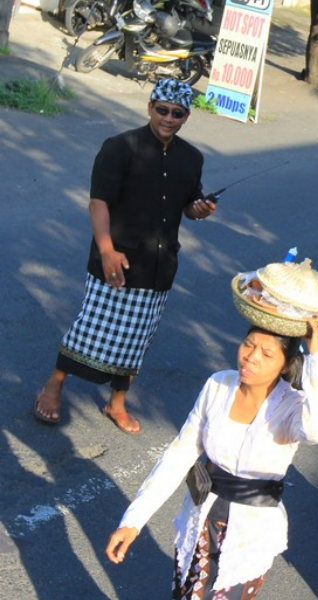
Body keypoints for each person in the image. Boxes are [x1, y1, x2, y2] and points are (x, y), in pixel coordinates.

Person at [105, 315, 318, 598]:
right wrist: (134, 520)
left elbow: (316, 430)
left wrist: (317, 353)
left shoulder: (292, 406)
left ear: (287, 364)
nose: (250, 357)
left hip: (249, 536)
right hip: (200, 519)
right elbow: (180, 454)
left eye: (266, 353)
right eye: (248, 345)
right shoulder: (219, 385)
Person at [32, 79, 214, 433]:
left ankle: (116, 403)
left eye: (177, 113)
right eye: (162, 110)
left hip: (159, 265)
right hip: (116, 259)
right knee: (90, 328)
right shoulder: (120, 147)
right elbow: (98, 201)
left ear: (186, 117)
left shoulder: (192, 158)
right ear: (150, 108)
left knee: (138, 337)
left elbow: (187, 206)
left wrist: (199, 209)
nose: (168, 118)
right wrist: (106, 251)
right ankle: (53, 384)